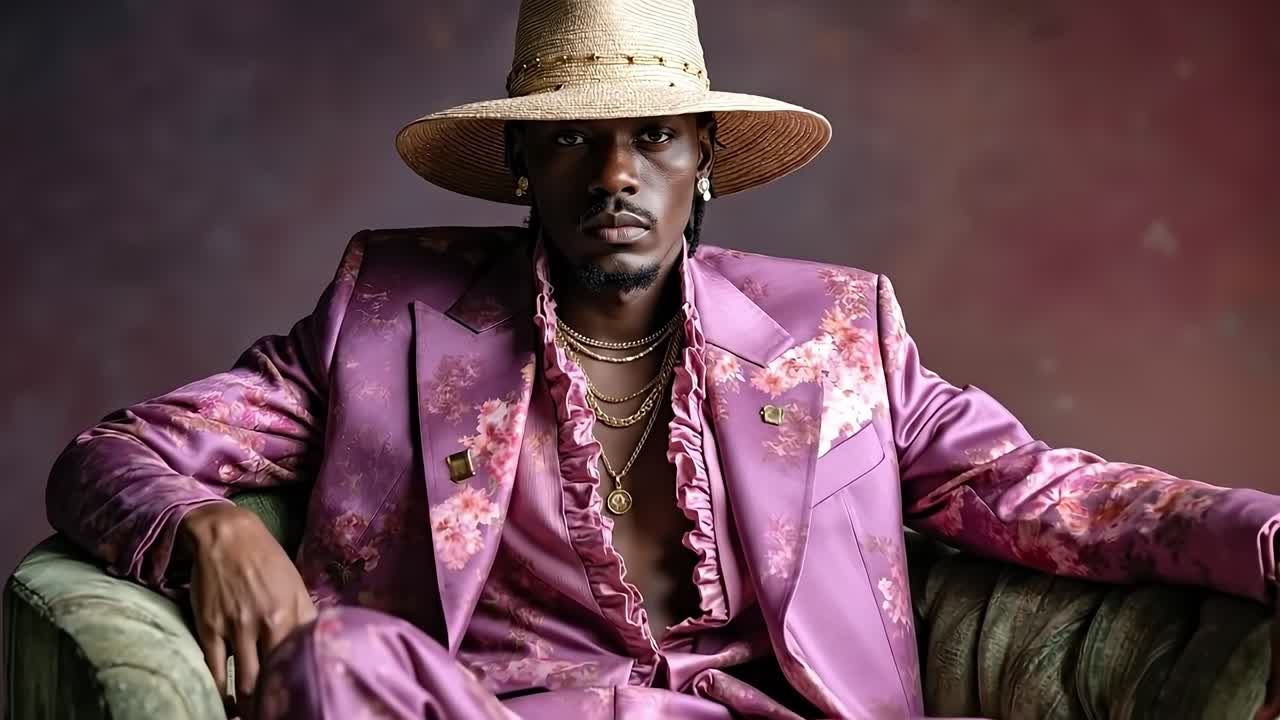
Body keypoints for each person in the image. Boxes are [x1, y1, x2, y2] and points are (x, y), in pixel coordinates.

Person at [45, 0, 1280, 718]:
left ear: (701, 162)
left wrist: (1266, 538)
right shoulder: (388, 312)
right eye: (577, 141)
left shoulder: (833, 336)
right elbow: (113, 455)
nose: (616, 175)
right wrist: (208, 530)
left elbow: (1045, 493)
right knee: (337, 659)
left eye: (652, 139)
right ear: (522, 167)